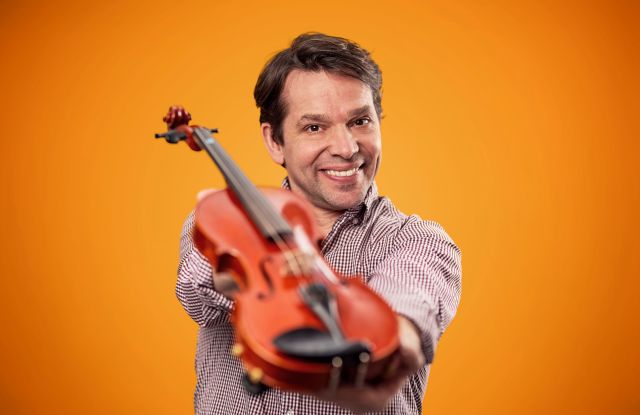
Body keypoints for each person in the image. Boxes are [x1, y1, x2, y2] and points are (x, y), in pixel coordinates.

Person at [175, 33, 461, 414]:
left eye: (360, 121)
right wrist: (239, 273)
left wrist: (393, 344)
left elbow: (409, 302)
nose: (346, 148)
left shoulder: (418, 240)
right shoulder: (222, 224)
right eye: (315, 127)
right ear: (275, 141)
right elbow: (196, 298)